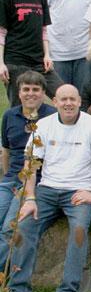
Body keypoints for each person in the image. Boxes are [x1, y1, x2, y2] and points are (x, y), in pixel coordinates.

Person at [8, 84, 91, 292]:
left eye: (72, 99)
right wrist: (29, 198)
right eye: (62, 99)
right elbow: (30, 163)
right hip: (46, 191)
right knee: (24, 229)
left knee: (78, 232)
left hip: (78, 194)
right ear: (55, 102)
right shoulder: (44, 126)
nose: (68, 103)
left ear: (79, 101)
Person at [0, 71, 56, 268]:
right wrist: (8, 176)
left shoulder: (52, 116)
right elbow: (6, 151)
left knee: (10, 227)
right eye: (26, 89)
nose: (30, 94)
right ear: (19, 91)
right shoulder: (9, 115)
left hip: (33, 181)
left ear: (43, 93)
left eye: (35, 89)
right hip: (9, 180)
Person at [0, 0, 63, 107]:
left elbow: (43, 31)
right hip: (15, 61)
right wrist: (1, 63)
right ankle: (18, 131)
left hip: (39, 61)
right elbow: (1, 34)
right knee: (20, 107)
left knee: (62, 95)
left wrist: (47, 55)